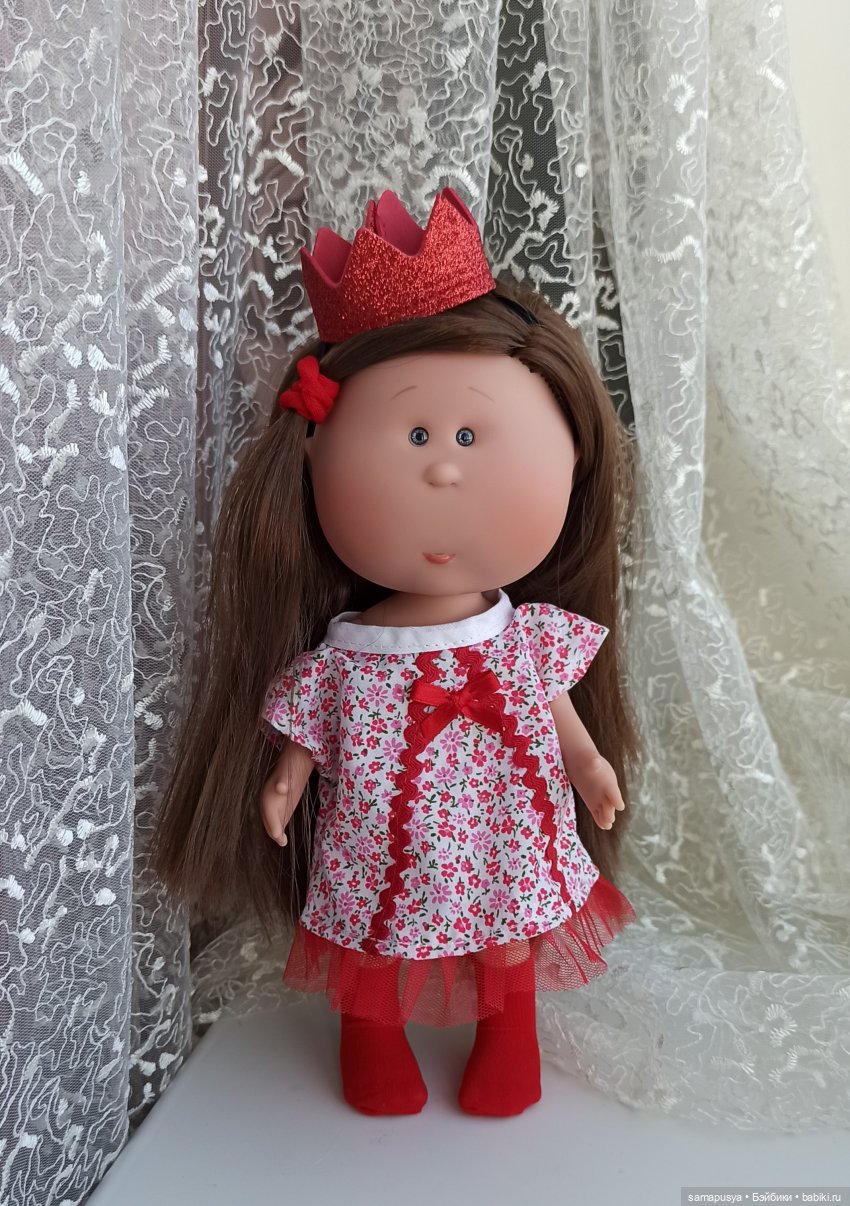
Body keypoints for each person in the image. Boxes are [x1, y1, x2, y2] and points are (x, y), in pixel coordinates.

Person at [151, 187, 639, 1119]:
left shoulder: (526, 637)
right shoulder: (343, 659)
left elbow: (561, 719)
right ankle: (372, 1045)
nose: (444, 466)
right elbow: (305, 739)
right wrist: (283, 784)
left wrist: (588, 766)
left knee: (507, 930)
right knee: (371, 940)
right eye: (416, 435)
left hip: (502, 828)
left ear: (573, 462)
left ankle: (510, 1039)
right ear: (311, 452)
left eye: (469, 436)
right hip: (384, 835)